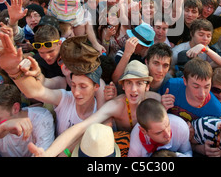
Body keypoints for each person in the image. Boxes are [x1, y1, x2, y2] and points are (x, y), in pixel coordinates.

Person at [26, 60, 161, 157]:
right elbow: (81, 127)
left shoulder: (156, 100)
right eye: (129, 83)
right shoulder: (116, 105)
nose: (133, 89)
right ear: (123, 86)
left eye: (139, 83)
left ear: (147, 86)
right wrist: (49, 154)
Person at [161, 57, 221, 122]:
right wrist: (161, 107)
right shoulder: (171, 87)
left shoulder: (215, 110)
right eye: (196, 86)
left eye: (206, 87)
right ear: (185, 81)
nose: (202, 94)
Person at [128, 98, 192, 157]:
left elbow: (187, 152)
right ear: (143, 131)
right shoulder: (136, 143)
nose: (168, 135)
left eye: (167, 125)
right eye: (159, 132)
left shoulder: (180, 127)